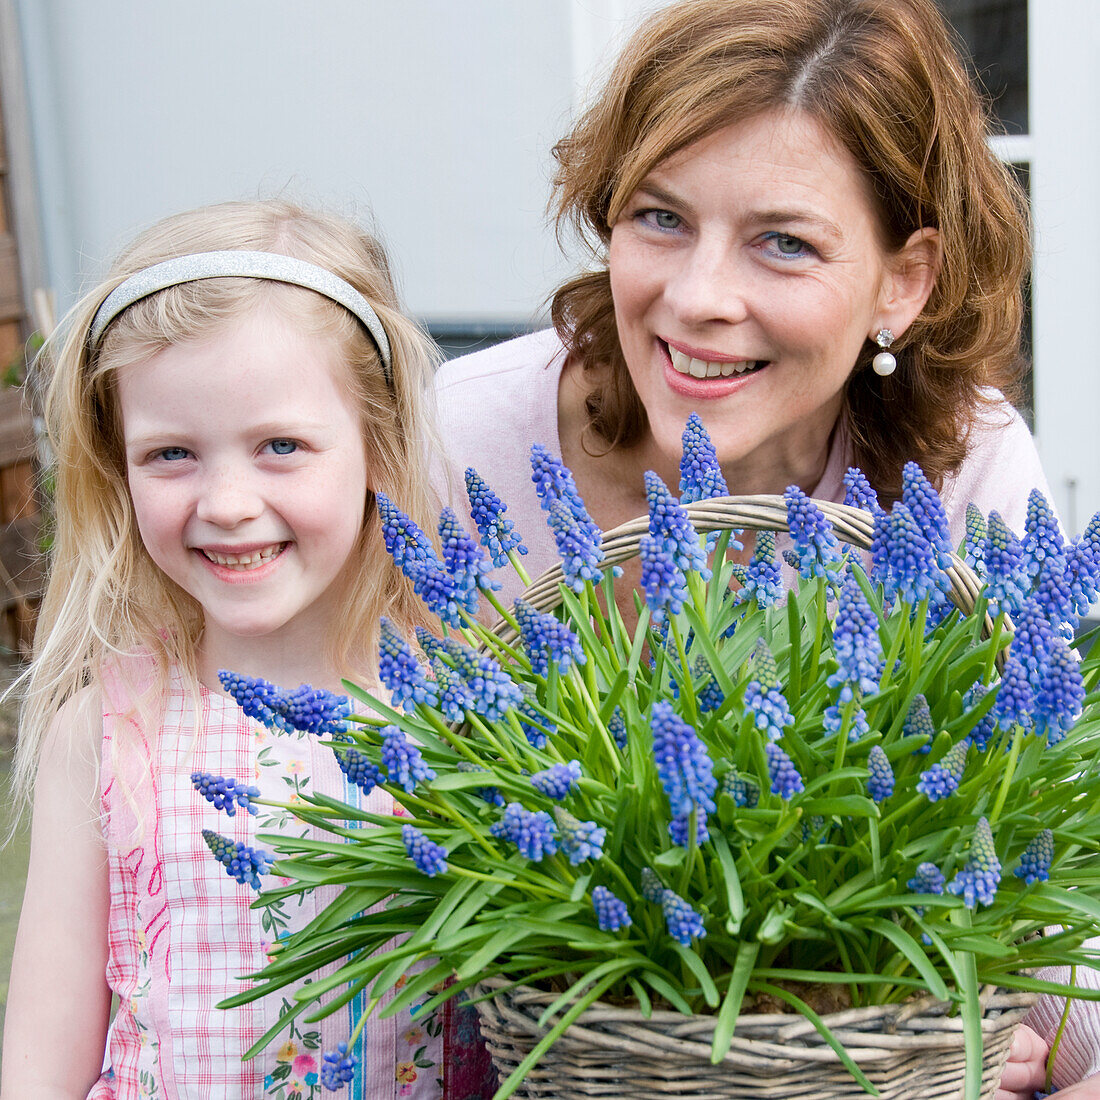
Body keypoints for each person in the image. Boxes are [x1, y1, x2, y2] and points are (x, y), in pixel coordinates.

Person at [432, 1, 1097, 1096]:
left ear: (902, 280)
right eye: (657, 218)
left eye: (781, 242)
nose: (695, 298)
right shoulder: (461, 443)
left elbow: (1033, 865)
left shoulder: (961, 475)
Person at [1, 200, 496, 1099]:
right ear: (120, 466)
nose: (227, 501)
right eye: (171, 454)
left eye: (280, 446)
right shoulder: (110, 728)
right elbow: (42, 1048)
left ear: (377, 449)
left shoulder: (464, 711)